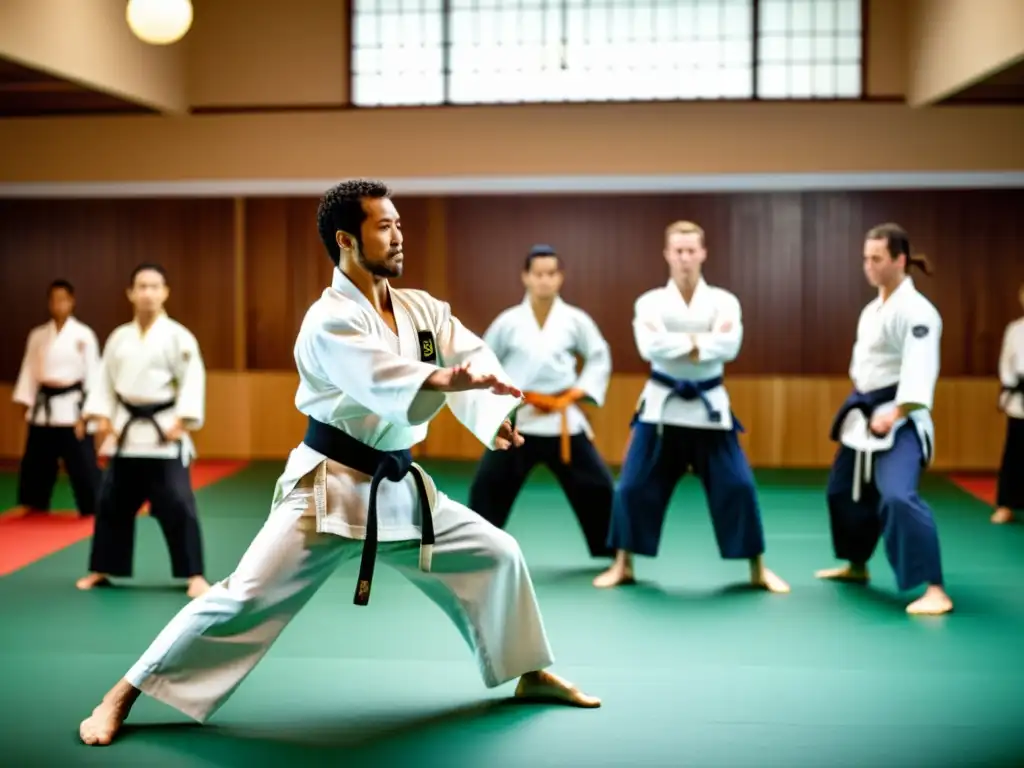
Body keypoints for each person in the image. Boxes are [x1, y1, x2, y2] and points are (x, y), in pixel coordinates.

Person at [78, 179, 600, 748]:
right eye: (385, 226)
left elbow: (465, 352)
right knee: (241, 598)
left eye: (400, 223)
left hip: (400, 487)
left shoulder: (419, 307)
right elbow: (382, 379)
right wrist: (443, 381)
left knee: (498, 552)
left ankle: (527, 672)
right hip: (327, 489)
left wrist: (489, 411)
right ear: (347, 240)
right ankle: (121, 694)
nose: (400, 236)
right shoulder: (329, 319)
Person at [593, 221, 789, 594]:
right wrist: (701, 342)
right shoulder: (649, 302)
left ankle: (757, 568)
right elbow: (650, 348)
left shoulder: (724, 300)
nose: (684, 257)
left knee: (739, 486)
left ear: (703, 253)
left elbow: (729, 346)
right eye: (678, 250)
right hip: (660, 409)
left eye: (691, 250)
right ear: (667, 254)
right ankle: (623, 564)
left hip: (710, 409)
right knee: (632, 487)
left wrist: (680, 342)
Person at [815, 223, 953, 615]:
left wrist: (897, 412)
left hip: (902, 418)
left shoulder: (918, 312)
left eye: (877, 258)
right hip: (865, 414)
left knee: (897, 497)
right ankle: (856, 565)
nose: (869, 266)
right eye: (865, 258)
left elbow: (921, 370)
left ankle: (935, 588)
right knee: (842, 491)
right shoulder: (872, 309)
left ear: (899, 260)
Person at [467, 244, 615, 559]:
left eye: (551, 274)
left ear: (560, 277)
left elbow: (598, 356)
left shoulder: (575, 320)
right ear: (526, 277)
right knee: (489, 485)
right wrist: (500, 393)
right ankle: (475, 549)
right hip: (520, 418)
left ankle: (611, 550)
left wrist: (578, 391)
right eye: (538, 274)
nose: (545, 281)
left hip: (562, 419)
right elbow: (483, 358)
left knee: (598, 485)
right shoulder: (508, 321)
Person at [75, 264, 211, 599]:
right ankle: (102, 569)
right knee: (111, 504)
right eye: (142, 286)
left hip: (164, 434)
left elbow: (193, 379)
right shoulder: (119, 337)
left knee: (178, 504)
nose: (148, 292)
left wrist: (183, 419)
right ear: (131, 293)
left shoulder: (179, 336)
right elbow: (104, 381)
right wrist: (102, 419)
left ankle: (194, 574)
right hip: (125, 435)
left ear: (165, 292)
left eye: (154, 286)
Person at [12, 279, 101, 517]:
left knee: (83, 464)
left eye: (63, 299)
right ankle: (33, 505)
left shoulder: (84, 335)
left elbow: (93, 375)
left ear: (72, 302)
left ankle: (92, 507)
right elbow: (29, 371)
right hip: (43, 409)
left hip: (73, 409)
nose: (58, 304)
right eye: (53, 300)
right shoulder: (38, 335)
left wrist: (87, 415)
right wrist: (26, 404)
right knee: (37, 462)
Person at [991, 283, 1024, 524]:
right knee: (1014, 453)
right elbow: (1006, 363)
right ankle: (1007, 505)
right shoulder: (1015, 330)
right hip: (1020, 398)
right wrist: (1011, 386)